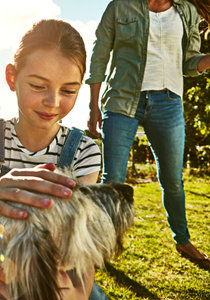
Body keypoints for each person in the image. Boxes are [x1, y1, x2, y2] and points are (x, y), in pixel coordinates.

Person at [0, 19, 107, 300]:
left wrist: (73, 293)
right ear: (12, 78)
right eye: (38, 85)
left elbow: (79, 252)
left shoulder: (84, 151)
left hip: (54, 265)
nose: (53, 101)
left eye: (69, 90)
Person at [86, 0, 210, 270]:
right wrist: (93, 104)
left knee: (172, 181)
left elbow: (189, 63)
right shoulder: (120, 7)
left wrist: (207, 60)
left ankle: (183, 240)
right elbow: (100, 54)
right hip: (121, 100)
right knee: (114, 180)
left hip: (168, 103)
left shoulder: (186, 12)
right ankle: (101, 243)